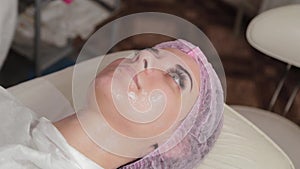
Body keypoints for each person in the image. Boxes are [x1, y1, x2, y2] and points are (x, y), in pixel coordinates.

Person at [0, 39, 223, 169]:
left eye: (175, 79)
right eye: (148, 51)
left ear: (175, 145)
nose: (144, 57)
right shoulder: (12, 115)